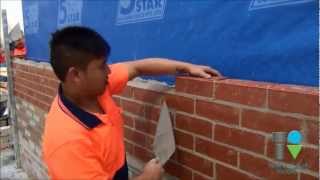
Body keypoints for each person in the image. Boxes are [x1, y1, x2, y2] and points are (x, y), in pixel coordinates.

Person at [42, 26, 221, 180]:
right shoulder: (67, 142)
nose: (109, 71)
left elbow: (137, 67)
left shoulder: (94, 90)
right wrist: (148, 177)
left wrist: (187, 68)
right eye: (102, 66)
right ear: (76, 75)